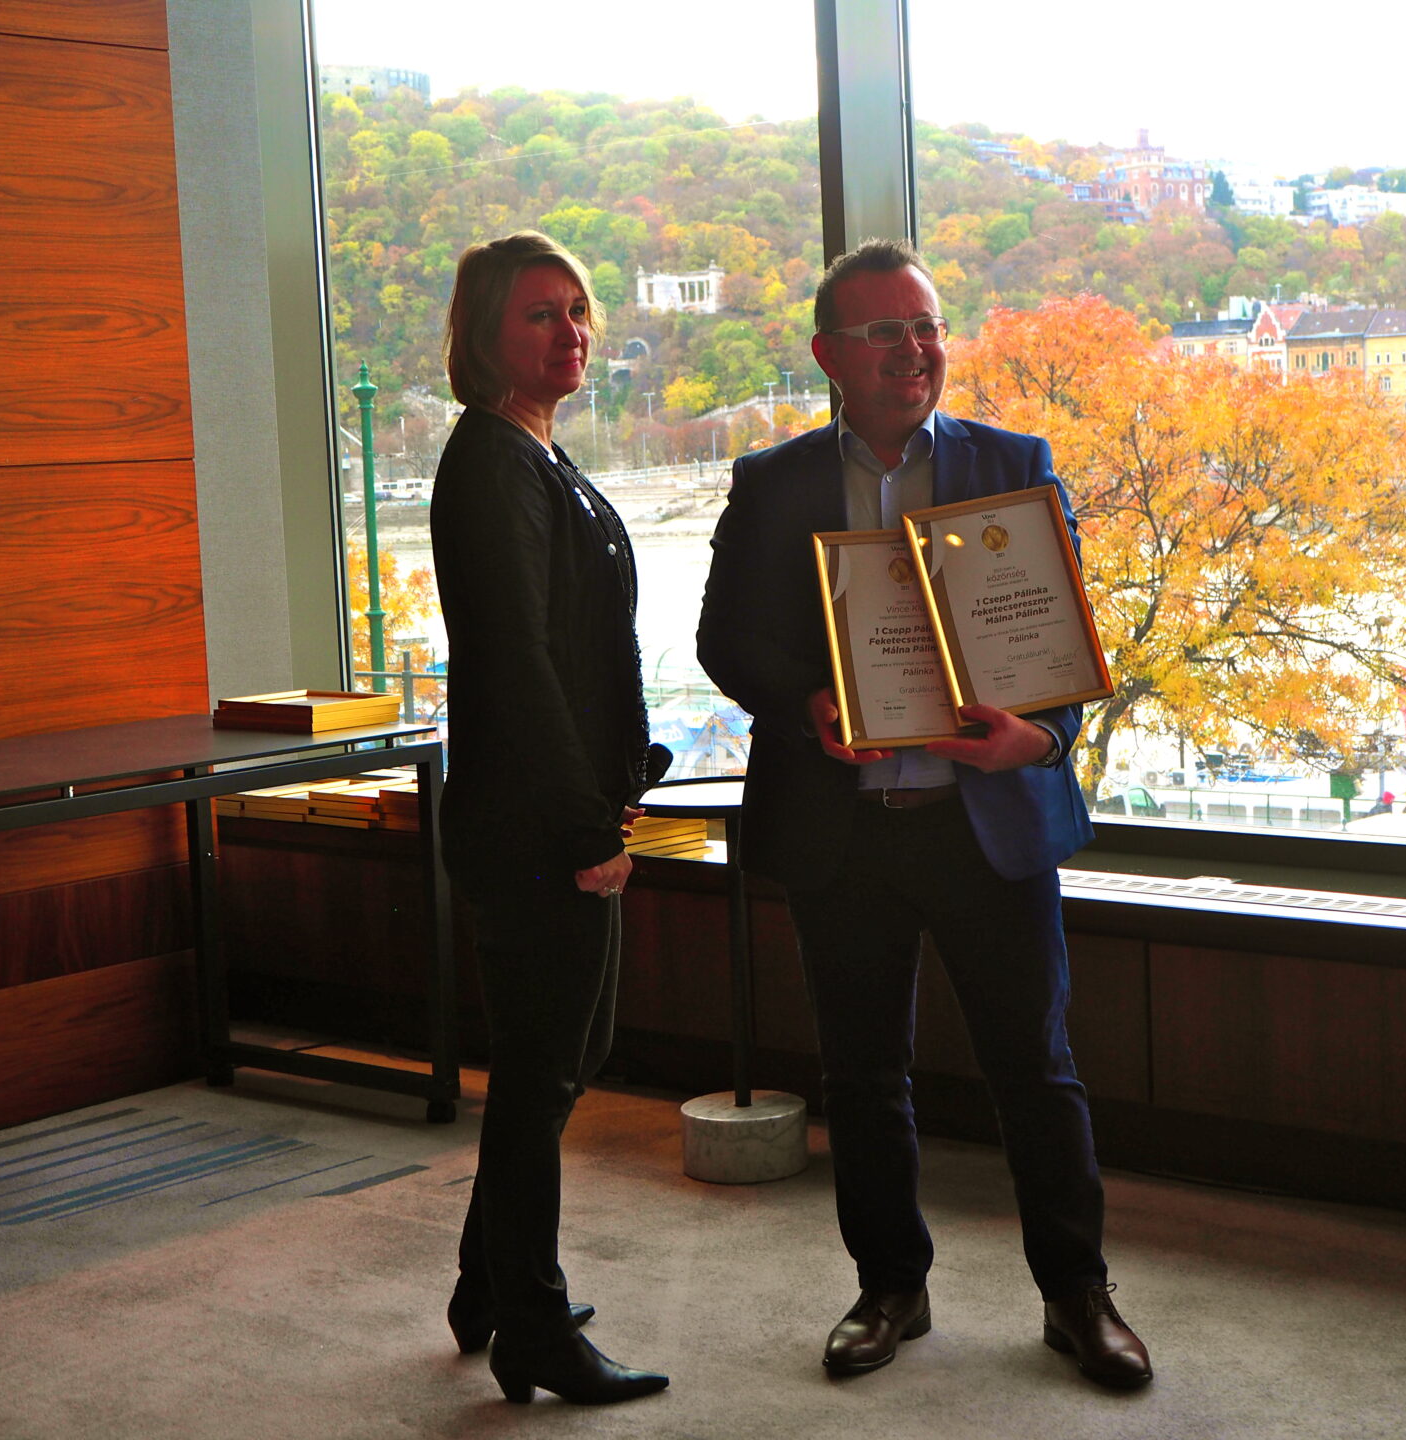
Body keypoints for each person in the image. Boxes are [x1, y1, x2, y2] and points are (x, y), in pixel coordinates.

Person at [696, 238, 1152, 1391]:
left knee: (1035, 1068)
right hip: (842, 825)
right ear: (829, 355)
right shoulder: (773, 483)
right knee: (862, 1076)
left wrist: (1040, 738)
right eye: (885, 331)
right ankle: (890, 1286)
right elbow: (725, 641)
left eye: (928, 326)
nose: (915, 349)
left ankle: (1077, 1294)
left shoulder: (1012, 464)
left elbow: (1059, 644)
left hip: (985, 823)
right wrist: (806, 702)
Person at [430, 231, 669, 1406]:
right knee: (543, 1076)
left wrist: (625, 772)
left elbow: (577, 644)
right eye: (539, 314)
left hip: (559, 804)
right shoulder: (491, 461)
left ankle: (488, 1284)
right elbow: (518, 665)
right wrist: (585, 830)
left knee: (564, 1057)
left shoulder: (535, 454)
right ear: (485, 337)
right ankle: (528, 1324)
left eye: (578, 310)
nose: (570, 331)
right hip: (533, 827)